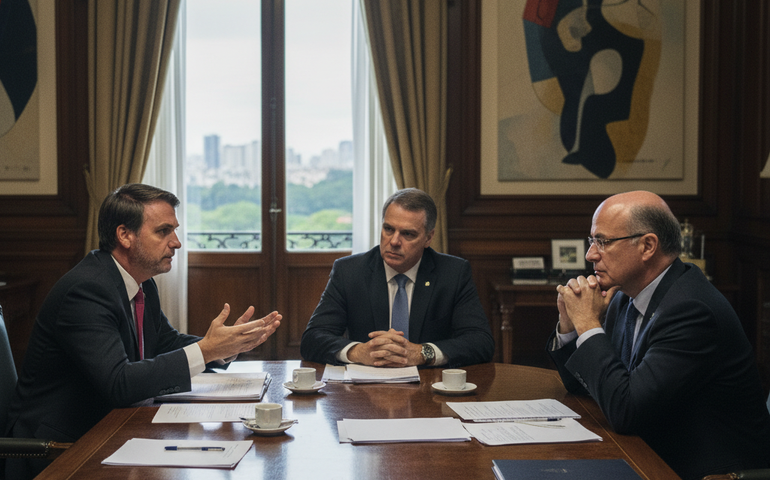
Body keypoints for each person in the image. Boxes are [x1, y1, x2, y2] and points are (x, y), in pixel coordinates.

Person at [5, 184, 281, 478]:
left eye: (174, 231)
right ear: (125, 235)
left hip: (110, 431)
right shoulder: (86, 290)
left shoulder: (142, 283)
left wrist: (224, 347)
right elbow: (118, 383)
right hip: (60, 450)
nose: (176, 243)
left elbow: (165, 342)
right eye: (163, 231)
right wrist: (206, 350)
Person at [547, 190, 770, 480]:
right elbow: (588, 386)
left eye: (603, 242)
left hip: (701, 472)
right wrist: (570, 325)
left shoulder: (691, 311)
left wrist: (588, 324)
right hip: (648, 450)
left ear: (648, 246)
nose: (591, 254)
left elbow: (627, 412)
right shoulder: (625, 295)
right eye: (592, 241)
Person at [300, 188, 494, 368]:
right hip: (365, 385)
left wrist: (422, 353)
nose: (394, 241)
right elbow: (312, 339)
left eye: (407, 234)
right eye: (388, 229)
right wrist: (358, 352)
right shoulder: (349, 272)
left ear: (428, 238)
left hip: (428, 385)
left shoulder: (453, 273)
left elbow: (481, 341)